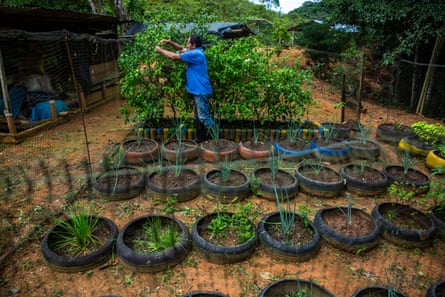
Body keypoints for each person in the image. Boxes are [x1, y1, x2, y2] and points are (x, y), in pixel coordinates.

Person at [155, 34, 214, 143]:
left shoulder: (196, 54)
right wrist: (170, 42)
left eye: (188, 43)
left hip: (201, 91)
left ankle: (217, 140)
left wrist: (159, 50)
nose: (186, 45)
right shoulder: (195, 52)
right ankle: (200, 139)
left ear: (194, 45)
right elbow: (181, 49)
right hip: (198, 91)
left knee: (204, 117)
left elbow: (173, 57)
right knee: (198, 117)